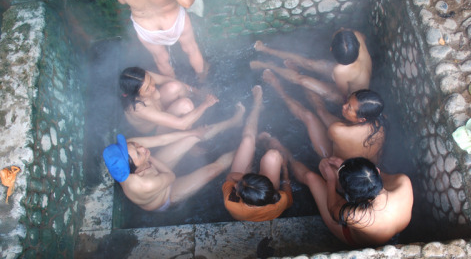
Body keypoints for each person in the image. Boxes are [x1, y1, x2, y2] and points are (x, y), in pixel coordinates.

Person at [264, 137, 413, 247]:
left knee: (312, 178)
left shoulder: (356, 215)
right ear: (377, 171)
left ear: (350, 198)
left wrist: (331, 181)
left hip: (352, 233)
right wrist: (344, 166)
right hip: (386, 225)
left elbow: (333, 210)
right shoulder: (403, 182)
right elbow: (370, 176)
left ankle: (288, 158)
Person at [103, 103, 244, 211]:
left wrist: (193, 132)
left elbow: (162, 140)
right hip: (166, 194)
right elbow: (170, 176)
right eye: (139, 153)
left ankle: (233, 121)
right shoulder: (145, 185)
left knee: (194, 137)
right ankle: (245, 147)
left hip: (151, 166)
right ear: (137, 171)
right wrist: (150, 158)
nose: (140, 147)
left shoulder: (127, 150)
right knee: (212, 170)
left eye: (135, 145)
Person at [263, 69, 387, 164]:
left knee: (312, 114)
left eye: (349, 107)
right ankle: (302, 79)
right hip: (360, 164)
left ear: (362, 120)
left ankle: (279, 89)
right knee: (321, 108)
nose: (343, 106)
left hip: (336, 166)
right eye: (348, 102)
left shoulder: (337, 130)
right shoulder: (380, 122)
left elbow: (325, 117)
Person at [223, 86, 293, 222]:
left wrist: (245, 179)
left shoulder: (231, 202)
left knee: (247, 139)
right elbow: (288, 198)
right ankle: (258, 109)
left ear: (239, 195)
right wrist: (284, 169)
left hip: (246, 203)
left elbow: (230, 177)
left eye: (238, 188)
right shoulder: (280, 200)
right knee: (273, 155)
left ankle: (257, 105)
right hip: (263, 195)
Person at [250, 28, 372, 103]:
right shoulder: (356, 36)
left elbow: (344, 93)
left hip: (351, 97)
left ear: (330, 49)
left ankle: (268, 65)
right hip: (352, 69)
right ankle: (265, 49)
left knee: (303, 80)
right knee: (309, 63)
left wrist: (320, 84)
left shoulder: (340, 70)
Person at [110, 0, 208, 79]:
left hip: (146, 27)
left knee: (161, 59)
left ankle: (178, 88)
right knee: (191, 49)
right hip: (173, 19)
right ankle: (202, 81)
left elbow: (122, 0)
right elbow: (186, 2)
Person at [120, 67, 217, 134]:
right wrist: (205, 104)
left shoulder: (142, 78)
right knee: (185, 104)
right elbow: (181, 124)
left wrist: (196, 91)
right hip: (156, 130)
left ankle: (194, 101)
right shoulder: (139, 109)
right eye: (147, 89)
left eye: (151, 81)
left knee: (174, 86)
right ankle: (191, 135)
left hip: (161, 108)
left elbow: (167, 80)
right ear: (136, 94)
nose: (153, 88)